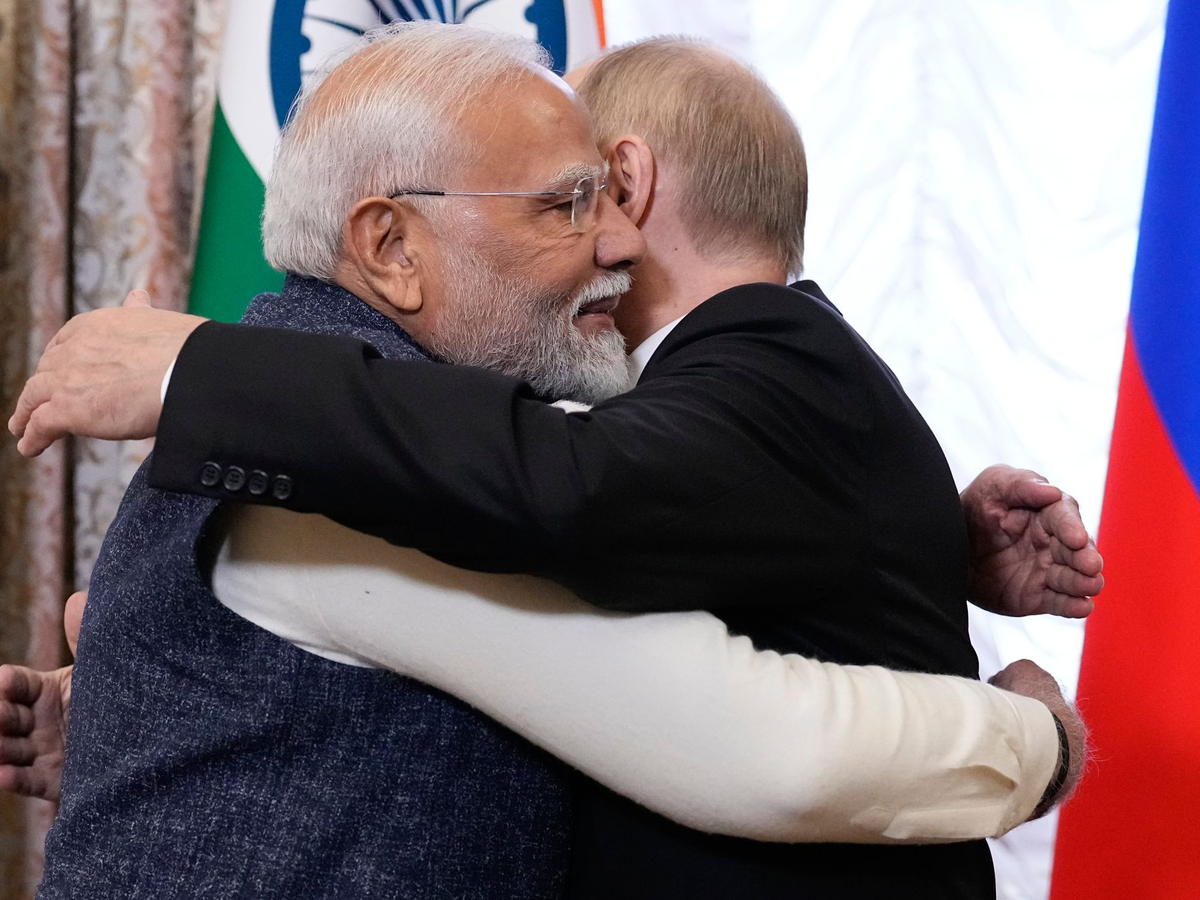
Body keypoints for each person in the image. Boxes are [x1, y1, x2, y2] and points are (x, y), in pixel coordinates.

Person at [5, 26, 1098, 900]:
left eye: (605, 195)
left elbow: (597, 496)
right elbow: (761, 750)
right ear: (392, 249)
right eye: (566, 203)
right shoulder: (347, 474)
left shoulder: (328, 428)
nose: (617, 240)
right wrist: (1035, 736)